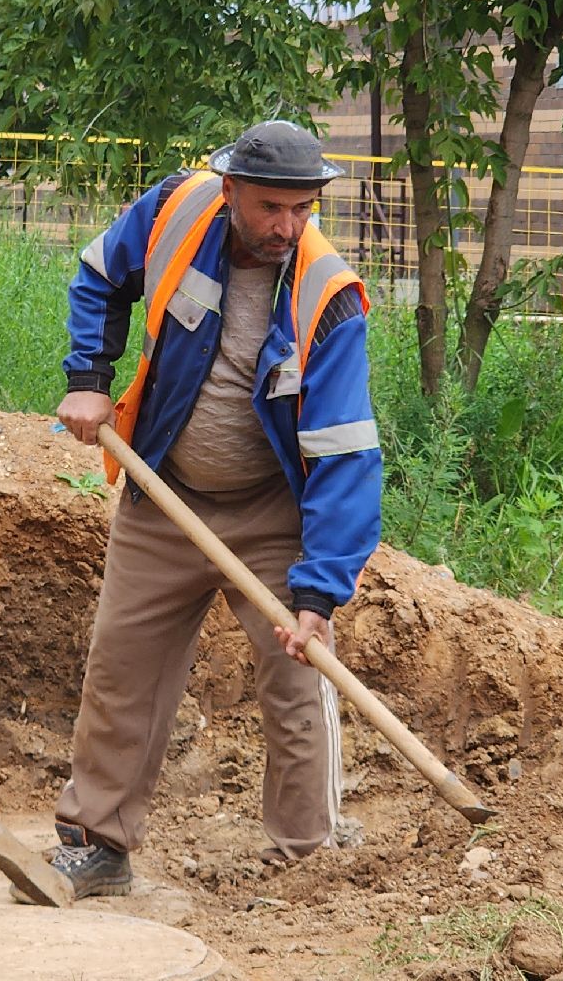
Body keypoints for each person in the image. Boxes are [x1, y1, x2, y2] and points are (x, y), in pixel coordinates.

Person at [48, 119, 382, 899]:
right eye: (270, 207)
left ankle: (307, 857)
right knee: (121, 671)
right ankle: (98, 844)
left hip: (272, 513)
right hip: (164, 492)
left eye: (302, 210)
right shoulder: (174, 211)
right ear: (229, 190)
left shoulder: (328, 299)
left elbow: (344, 452)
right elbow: (100, 274)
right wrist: (89, 374)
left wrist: (316, 592)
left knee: (297, 677)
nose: (285, 227)